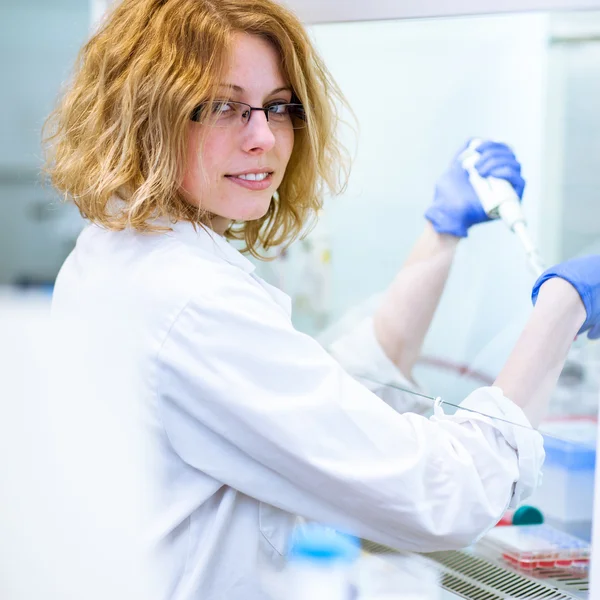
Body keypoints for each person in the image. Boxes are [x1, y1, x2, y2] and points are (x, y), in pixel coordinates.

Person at [43, 0, 600, 598]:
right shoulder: (191, 302)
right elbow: (442, 494)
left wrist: (442, 233)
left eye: (278, 106)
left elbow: (321, 401)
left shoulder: (115, 252)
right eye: (223, 106)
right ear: (145, 116)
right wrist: (564, 305)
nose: (263, 137)